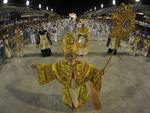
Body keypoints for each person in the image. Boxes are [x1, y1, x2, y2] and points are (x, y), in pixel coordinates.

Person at [32, 33, 104, 111]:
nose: (71, 58)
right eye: (69, 56)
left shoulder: (82, 64)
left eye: (73, 55)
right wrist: (37, 66)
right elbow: (49, 68)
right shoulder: (60, 65)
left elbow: (92, 71)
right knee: (74, 103)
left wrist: (99, 72)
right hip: (69, 88)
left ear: (76, 56)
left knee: (78, 101)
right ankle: (74, 106)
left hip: (79, 87)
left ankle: (76, 105)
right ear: (65, 56)